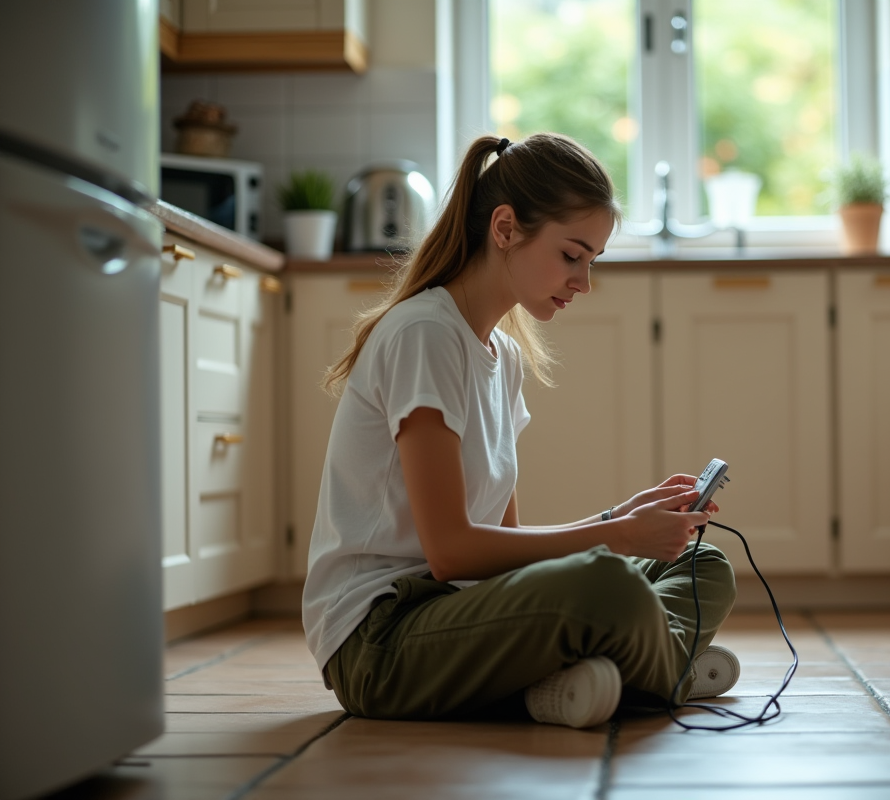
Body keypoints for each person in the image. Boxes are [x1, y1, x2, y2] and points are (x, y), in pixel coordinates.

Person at [302, 132, 740, 729]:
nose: (583, 282)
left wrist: (617, 520)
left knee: (702, 568)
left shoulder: (502, 357)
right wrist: (617, 539)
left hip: (462, 613)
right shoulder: (424, 337)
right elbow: (453, 552)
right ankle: (666, 673)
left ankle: (607, 676)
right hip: (380, 643)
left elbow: (503, 555)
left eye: (592, 262)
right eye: (572, 255)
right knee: (608, 585)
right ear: (505, 228)